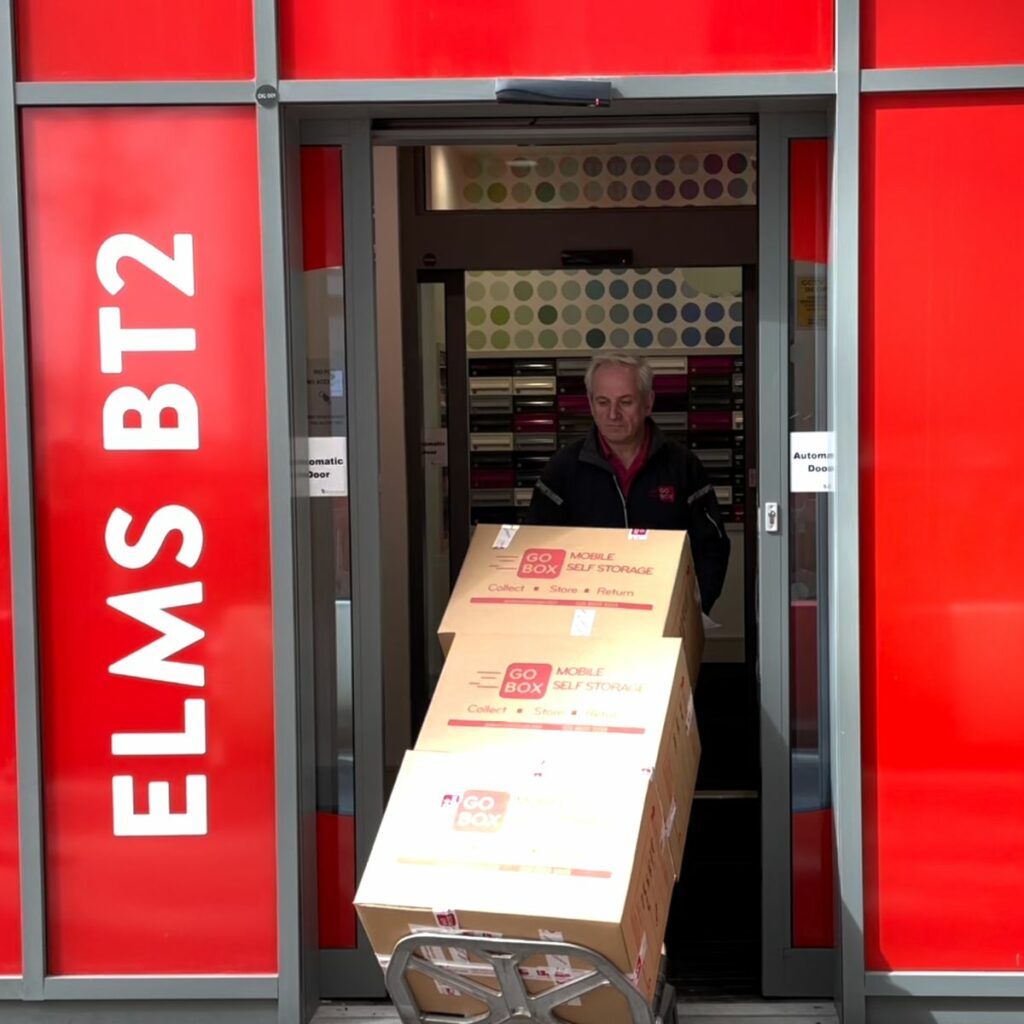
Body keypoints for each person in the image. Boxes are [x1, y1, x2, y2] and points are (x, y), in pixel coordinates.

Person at [525, 353, 730, 613]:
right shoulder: (562, 469)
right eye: (602, 402)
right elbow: (536, 548)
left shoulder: (682, 465)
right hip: (583, 621)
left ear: (648, 403)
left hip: (663, 615)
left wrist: (692, 610)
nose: (613, 414)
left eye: (625, 402)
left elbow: (711, 546)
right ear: (590, 403)